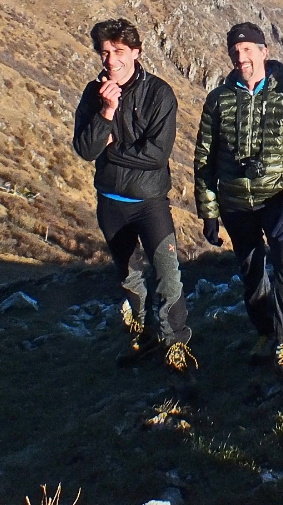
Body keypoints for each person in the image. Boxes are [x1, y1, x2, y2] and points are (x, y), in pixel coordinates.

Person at [194, 22, 283, 394]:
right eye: (235, 50)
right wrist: (209, 211)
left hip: (279, 201)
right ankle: (266, 330)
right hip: (235, 203)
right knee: (251, 270)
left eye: (248, 49)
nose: (241, 56)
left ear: (264, 52)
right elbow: (204, 157)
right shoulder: (219, 100)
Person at [72, 19, 196, 381]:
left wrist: (111, 150)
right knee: (129, 275)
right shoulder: (93, 94)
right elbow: (84, 148)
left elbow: (157, 155)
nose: (111, 60)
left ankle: (175, 342)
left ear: (136, 53)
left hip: (150, 200)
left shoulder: (159, 94)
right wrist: (106, 113)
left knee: (167, 274)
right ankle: (141, 336)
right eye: (105, 52)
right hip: (110, 202)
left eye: (119, 52)